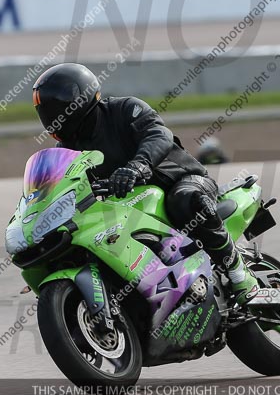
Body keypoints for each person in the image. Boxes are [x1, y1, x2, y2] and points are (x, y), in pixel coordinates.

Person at [32, 63, 258, 305]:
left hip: (180, 181)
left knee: (184, 200)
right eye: (45, 111)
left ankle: (240, 276)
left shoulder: (125, 109)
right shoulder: (65, 152)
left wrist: (138, 166)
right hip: (129, 205)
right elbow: (58, 189)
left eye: (56, 110)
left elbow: (158, 134)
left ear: (77, 102)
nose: (51, 118)